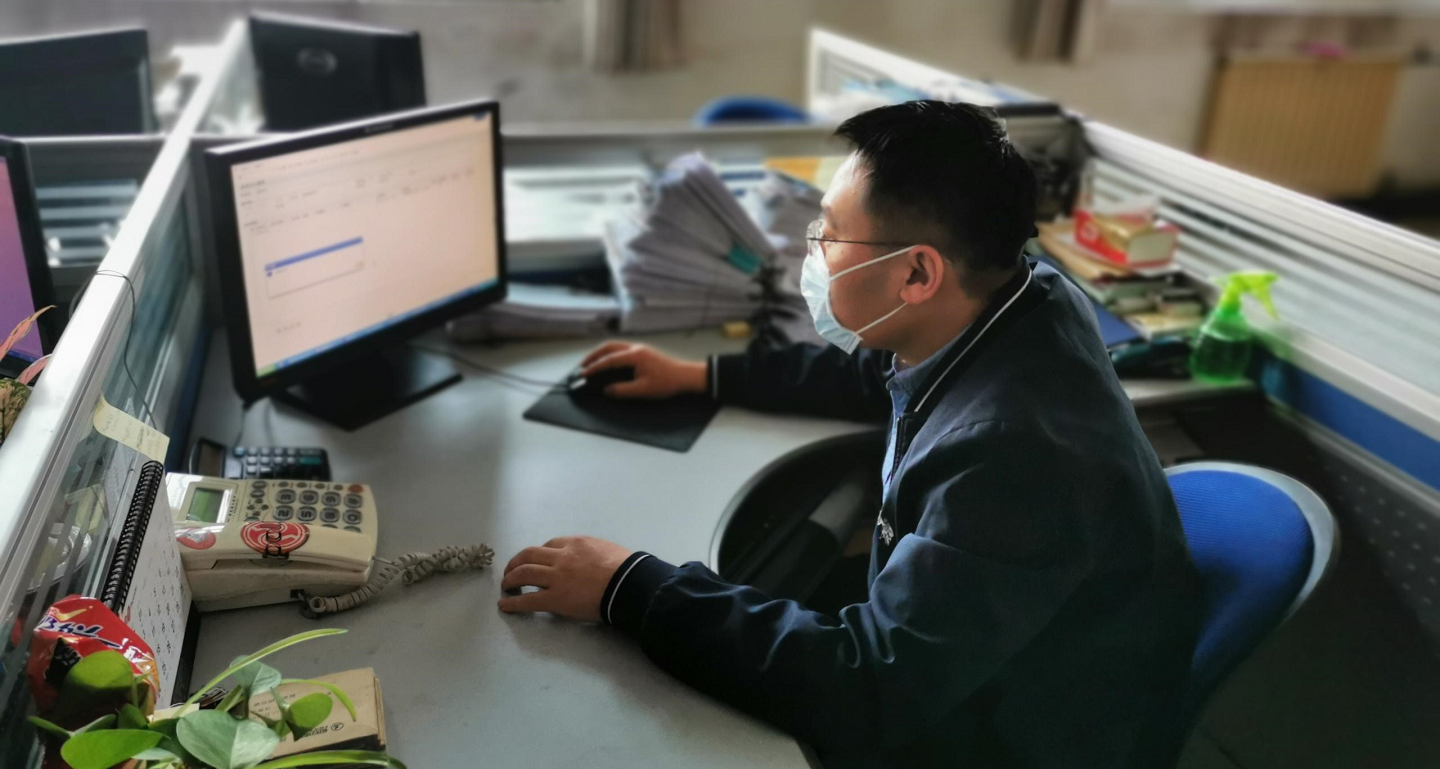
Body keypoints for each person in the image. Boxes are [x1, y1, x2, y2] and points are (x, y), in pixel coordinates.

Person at [498, 100, 1200, 768]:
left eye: (831, 234)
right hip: (988, 655)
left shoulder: (1014, 455)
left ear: (917, 272)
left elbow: (867, 685)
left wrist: (629, 587)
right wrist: (702, 376)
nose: (816, 250)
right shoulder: (1019, 295)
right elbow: (881, 369)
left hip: (1013, 737)